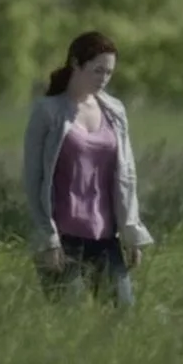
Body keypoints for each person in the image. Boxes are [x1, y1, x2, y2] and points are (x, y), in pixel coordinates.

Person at [22, 31, 154, 307]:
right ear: (75, 63)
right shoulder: (48, 112)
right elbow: (33, 179)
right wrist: (47, 238)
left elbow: (126, 177)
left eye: (108, 72)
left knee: (123, 317)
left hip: (106, 237)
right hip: (63, 238)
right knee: (68, 324)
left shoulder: (115, 111)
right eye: (97, 70)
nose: (103, 79)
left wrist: (131, 233)